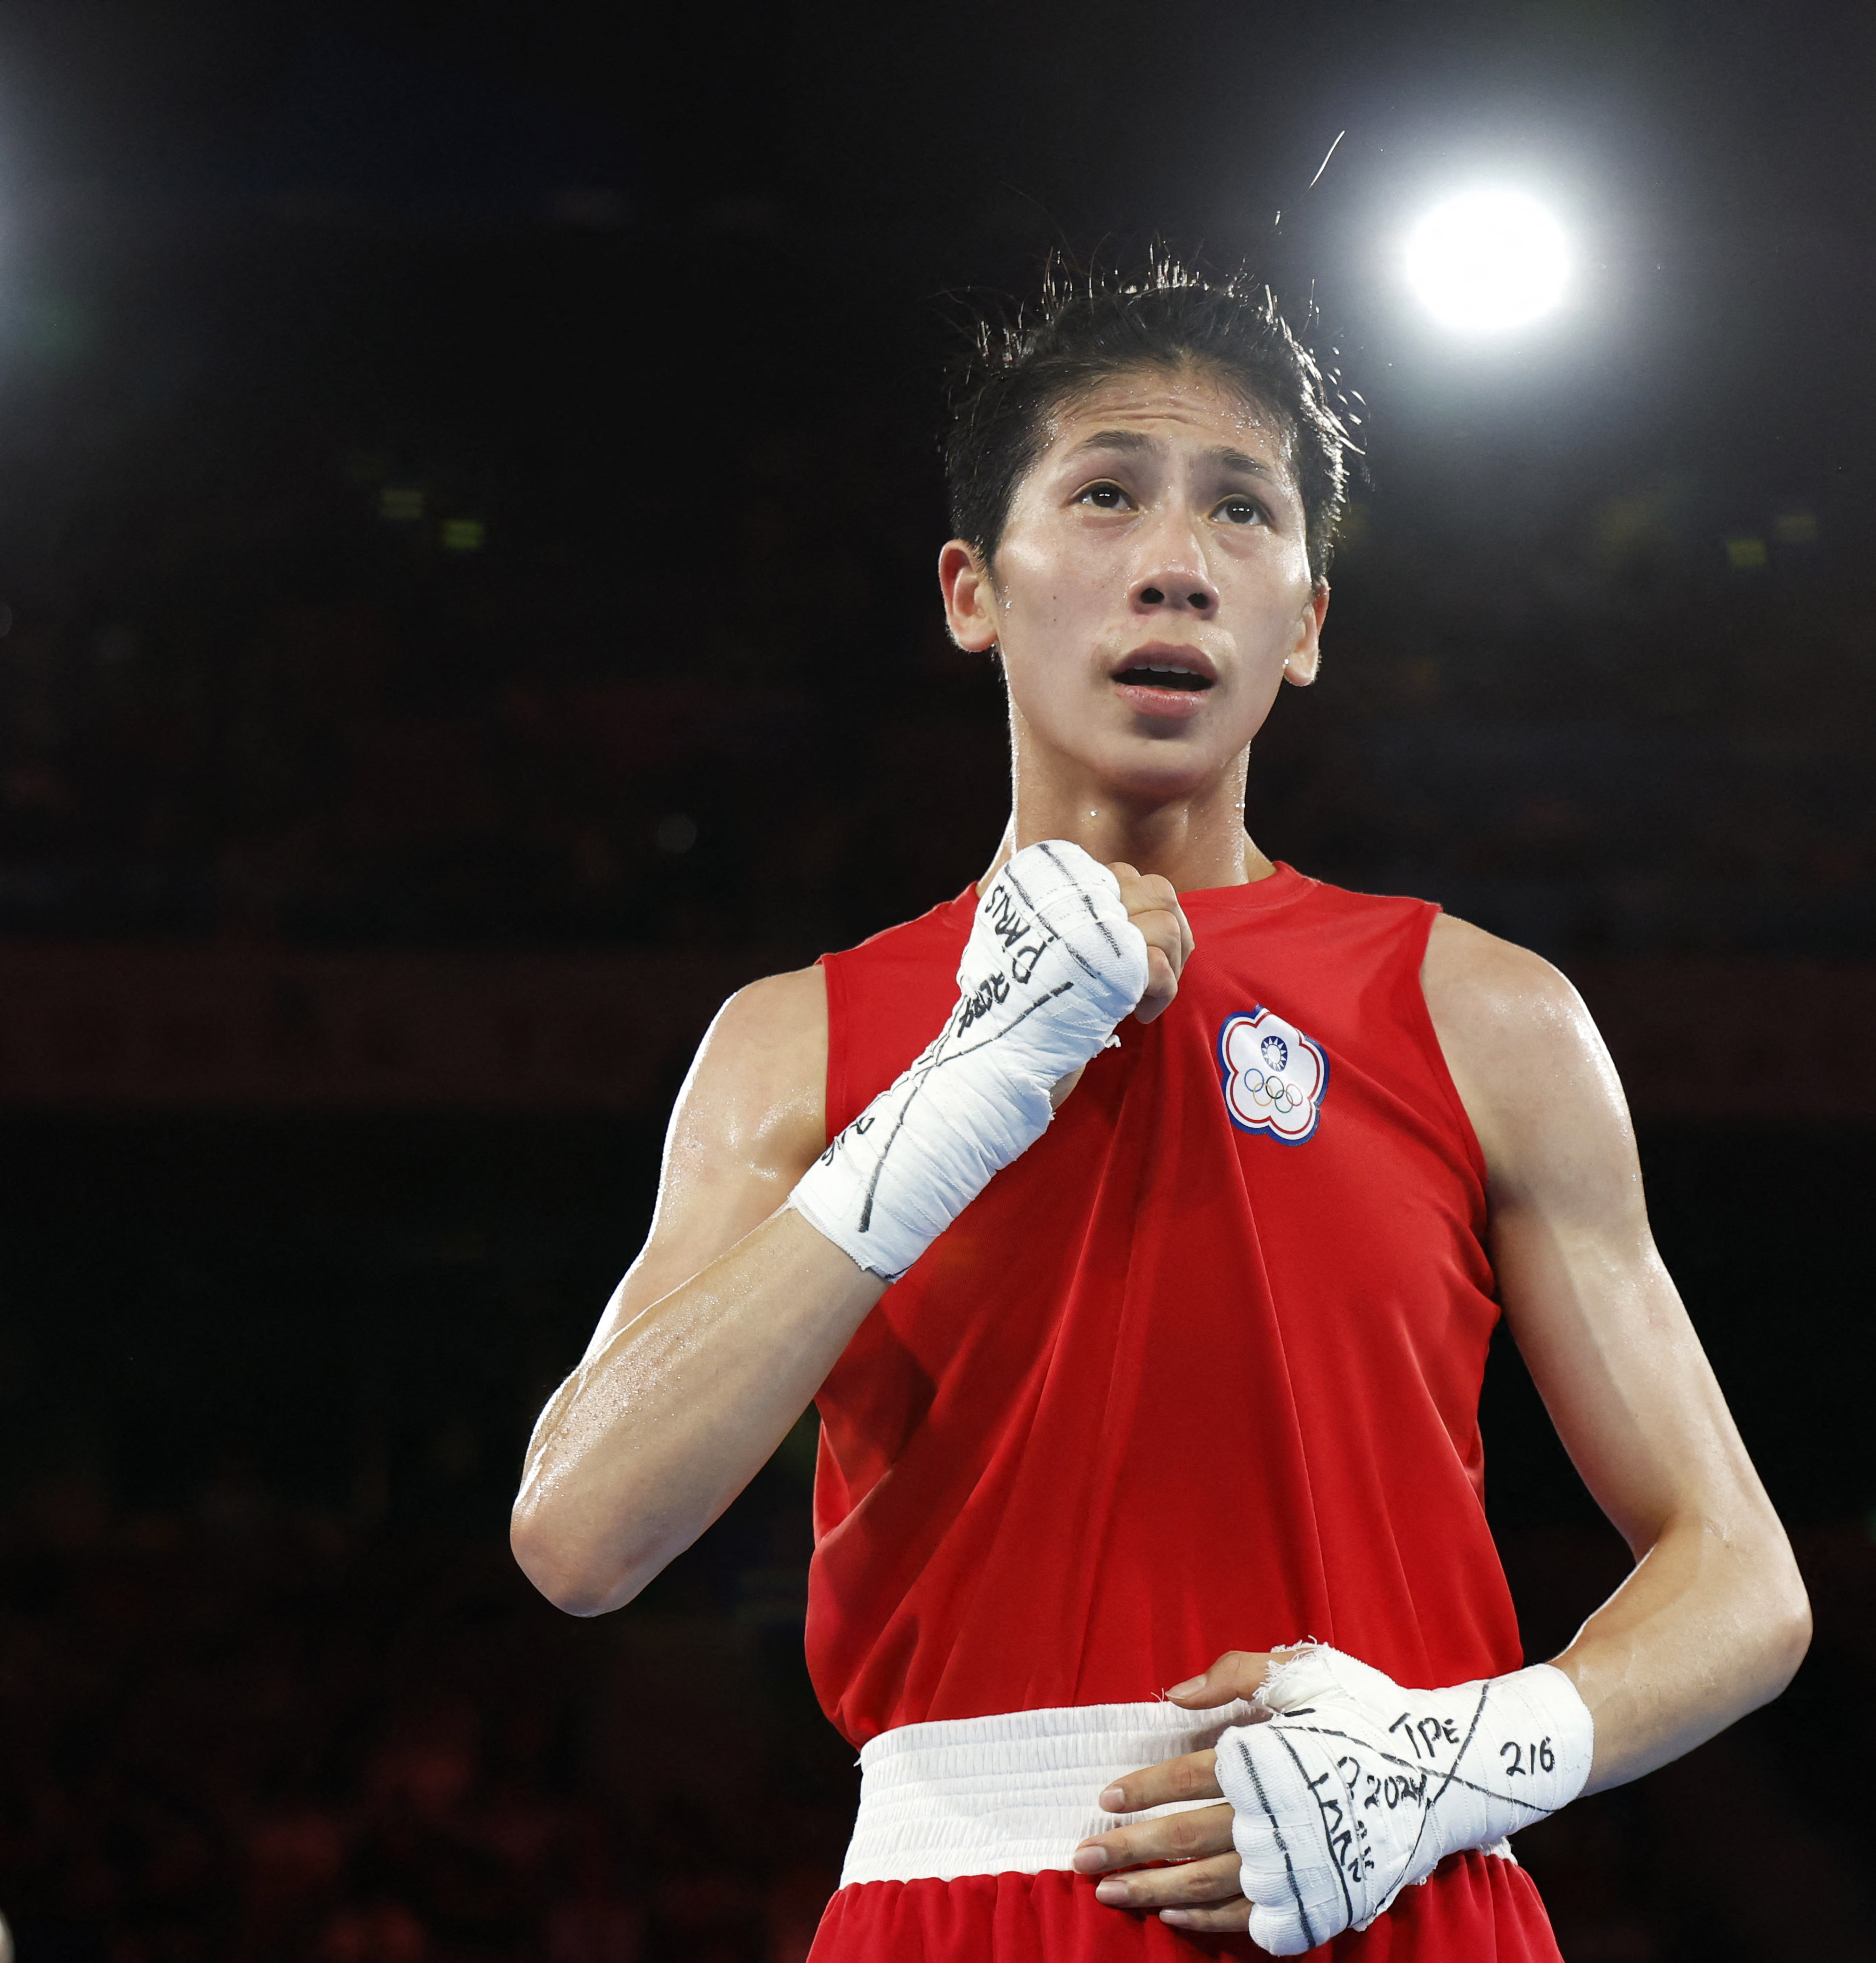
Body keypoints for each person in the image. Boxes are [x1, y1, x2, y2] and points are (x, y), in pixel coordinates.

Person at [510, 262, 1809, 1960]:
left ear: (1309, 620)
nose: (1177, 563)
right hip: (958, 1908)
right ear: (974, 589)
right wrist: (957, 1093)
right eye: (1107, 492)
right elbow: (583, 1531)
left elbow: (1743, 1577)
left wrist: (1461, 1760)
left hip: (1399, 1879)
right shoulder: (795, 1043)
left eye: (1243, 513)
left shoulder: (1485, 1014)